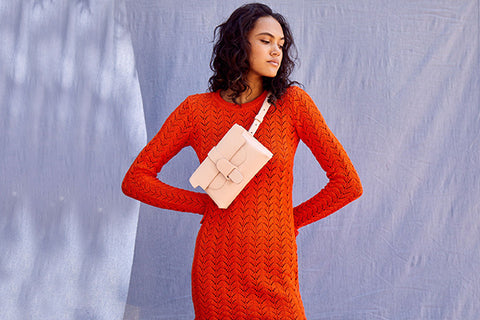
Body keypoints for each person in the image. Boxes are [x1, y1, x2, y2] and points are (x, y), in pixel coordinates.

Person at [122, 3, 362, 319]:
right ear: (239, 43)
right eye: (265, 40)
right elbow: (136, 179)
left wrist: (289, 221)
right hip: (217, 268)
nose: (276, 51)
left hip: (275, 266)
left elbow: (348, 184)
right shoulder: (196, 111)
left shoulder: (292, 105)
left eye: (281, 44)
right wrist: (203, 204)